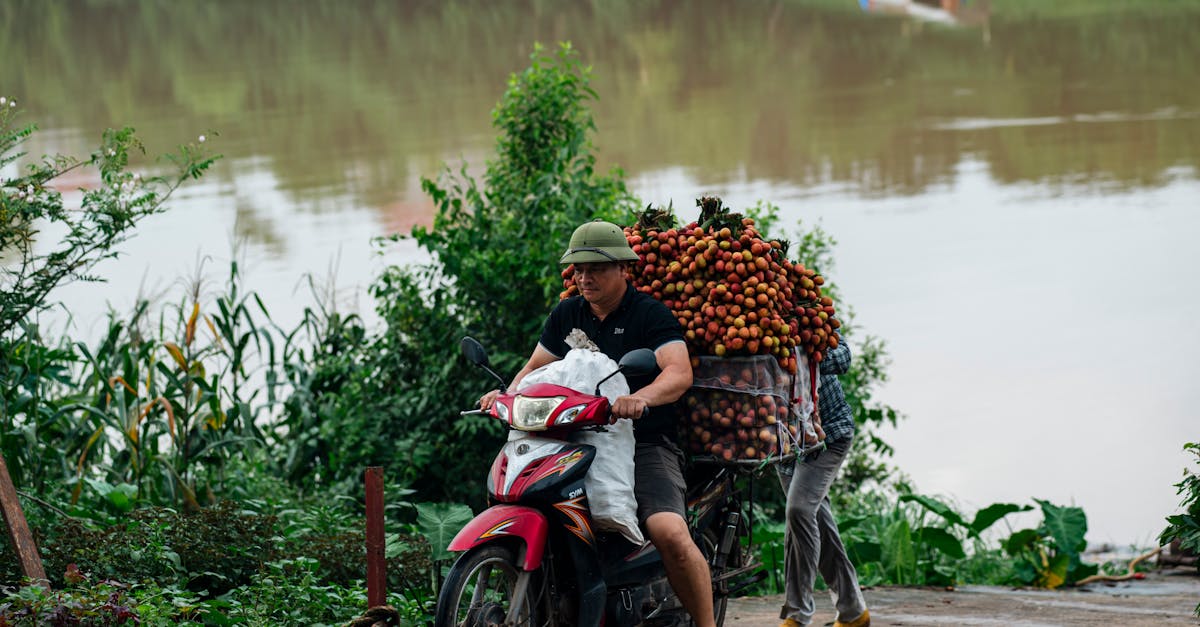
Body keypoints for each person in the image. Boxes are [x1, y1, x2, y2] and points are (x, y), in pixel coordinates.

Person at [479, 219, 716, 627]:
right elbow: (535, 367)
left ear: (624, 269)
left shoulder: (649, 315)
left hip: (645, 443)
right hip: (569, 441)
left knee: (669, 532)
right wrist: (506, 395)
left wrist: (639, 399)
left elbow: (678, 373)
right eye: (579, 269)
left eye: (597, 269)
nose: (585, 278)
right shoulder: (568, 314)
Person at [778, 330, 871, 627]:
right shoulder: (754, 317)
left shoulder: (810, 312)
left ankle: (798, 615)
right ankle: (854, 611)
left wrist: (804, 353)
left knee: (799, 512)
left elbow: (843, 357)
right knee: (817, 522)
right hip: (783, 444)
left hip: (828, 435)